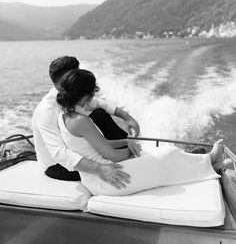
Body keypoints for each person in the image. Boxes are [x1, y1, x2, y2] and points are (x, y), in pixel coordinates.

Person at [56, 68, 231, 196]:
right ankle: (209, 163)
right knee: (165, 155)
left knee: (165, 153)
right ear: (86, 95)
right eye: (93, 93)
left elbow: (102, 144)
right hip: (107, 178)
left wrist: (127, 142)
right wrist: (133, 150)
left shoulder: (64, 115)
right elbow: (113, 155)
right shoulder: (81, 121)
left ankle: (209, 163)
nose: (94, 97)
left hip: (105, 173)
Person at [32, 56, 140, 189]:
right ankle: (131, 153)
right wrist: (99, 168)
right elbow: (59, 154)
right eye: (76, 74)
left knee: (100, 113)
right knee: (130, 166)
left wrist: (126, 117)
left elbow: (97, 102)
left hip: (77, 149)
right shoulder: (47, 111)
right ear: (67, 78)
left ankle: (130, 149)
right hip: (57, 167)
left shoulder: (70, 96)